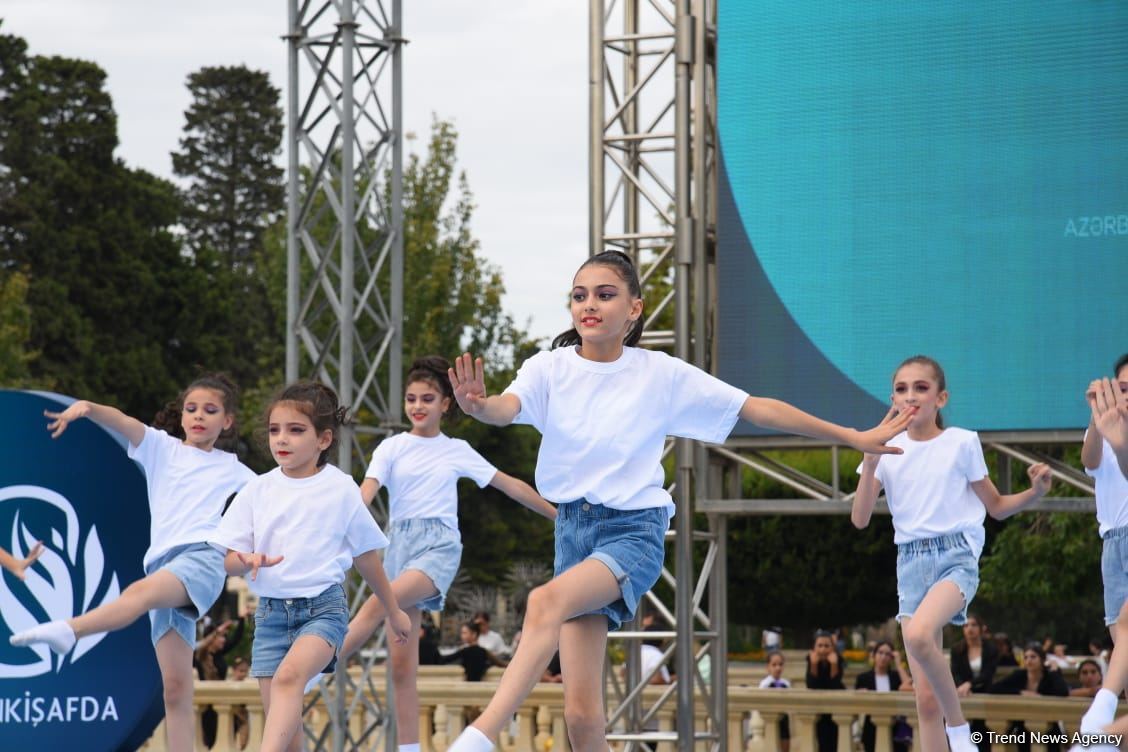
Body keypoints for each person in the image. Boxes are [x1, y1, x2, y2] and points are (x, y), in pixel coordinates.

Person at [441, 250, 913, 752]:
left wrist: (848, 435)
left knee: (543, 601)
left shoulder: (660, 374)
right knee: (581, 719)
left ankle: (478, 737)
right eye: (579, 296)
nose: (589, 306)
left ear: (635, 309)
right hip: (572, 536)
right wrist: (476, 406)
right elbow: (503, 409)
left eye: (605, 295)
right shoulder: (547, 369)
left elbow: (756, 408)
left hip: (631, 534)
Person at [9, 375, 256, 752]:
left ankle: (69, 630)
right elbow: (122, 420)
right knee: (175, 689)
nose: (199, 417)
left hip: (202, 558)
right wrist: (88, 409)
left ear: (228, 421)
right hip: (163, 564)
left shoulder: (235, 469)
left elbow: (275, 501)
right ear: (182, 414)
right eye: (191, 409)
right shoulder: (161, 447)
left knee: (137, 594)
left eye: (210, 411)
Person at [324, 356, 554, 752]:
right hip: (398, 546)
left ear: (445, 403)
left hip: (439, 545)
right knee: (400, 665)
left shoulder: (456, 449)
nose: (417, 406)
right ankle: (409, 749)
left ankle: (314, 666)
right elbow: (365, 494)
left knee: (379, 606)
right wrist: (335, 535)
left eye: (427, 398)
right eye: (411, 398)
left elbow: (509, 485)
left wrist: (556, 514)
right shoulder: (392, 447)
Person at [852, 355, 1052, 752]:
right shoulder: (885, 446)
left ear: (941, 398)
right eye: (902, 388)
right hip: (909, 563)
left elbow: (995, 506)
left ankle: (960, 732)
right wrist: (871, 460)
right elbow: (859, 519)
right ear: (892, 396)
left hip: (955, 557)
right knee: (925, 702)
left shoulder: (961, 442)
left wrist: (1036, 493)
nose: (911, 396)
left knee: (921, 634)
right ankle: (950, 732)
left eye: (921, 388)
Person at [210, 381, 411, 752]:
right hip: (270, 619)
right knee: (289, 739)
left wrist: (394, 610)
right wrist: (245, 559)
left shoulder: (341, 488)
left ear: (323, 439)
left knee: (289, 680)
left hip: (323, 612)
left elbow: (366, 556)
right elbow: (224, 561)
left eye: (295, 430)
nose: (281, 439)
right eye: (274, 430)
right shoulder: (257, 490)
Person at [1079, 356, 1128, 739]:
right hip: (1112, 542)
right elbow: (1089, 461)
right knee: (1122, 648)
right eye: (1122, 388)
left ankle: (1100, 723)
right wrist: (1098, 419)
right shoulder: (1106, 425)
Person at [989, 642, 1070, 752]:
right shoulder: (1019, 675)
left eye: (1033, 657)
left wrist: (1055, 671)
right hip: (1023, 727)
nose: (1029, 660)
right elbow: (994, 688)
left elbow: (1063, 692)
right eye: (1026, 657)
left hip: (1048, 727)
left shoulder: (1049, 676)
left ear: (1042, 659)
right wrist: (1020, 693)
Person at [950, 613, 998, 751]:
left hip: (984, 694)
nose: (969, 629)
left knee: (982, 734)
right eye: (966, 625)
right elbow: (955, 673)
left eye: (973, 625)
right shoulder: (957, 649)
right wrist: (962, 686)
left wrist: (970, 684)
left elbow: (988, 674)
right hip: (963, 695)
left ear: (982, 628)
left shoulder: (991, 649)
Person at [855, 640, 910, 752]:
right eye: (880, 653)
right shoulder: (863, 678)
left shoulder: (895, 676)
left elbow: (909, 685)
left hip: (895, 727)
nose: (883, 657)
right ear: (874, 655)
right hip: (871, 727)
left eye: (887, 654)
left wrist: (899, 664)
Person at [806, 629, 846, 752]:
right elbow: (811, 685)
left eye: (827, 646)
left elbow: (835, 685)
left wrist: (834, 665)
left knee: (834, 742)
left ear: (832, 647)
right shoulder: (811, 659)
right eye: (820, 645)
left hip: (835, 709)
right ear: (814, 647)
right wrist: (813, 664)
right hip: (818, 708)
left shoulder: (837, 660)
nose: (823, 649)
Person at [440, 620, 505, 682]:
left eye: (464, 633)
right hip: (479, 686)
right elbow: (500, 664)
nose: (462, 636)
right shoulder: (484, 651)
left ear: (474, 634)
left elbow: (446, 659)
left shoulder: (465, 651)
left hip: (468, 686)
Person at [757, 651, 791, 752]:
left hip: (783, 717)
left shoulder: (786, 683)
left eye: (780, 664)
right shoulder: (765, 684)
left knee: (785, 740)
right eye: (774, 665)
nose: (778, 668)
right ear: (768, 667)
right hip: (768, 716)